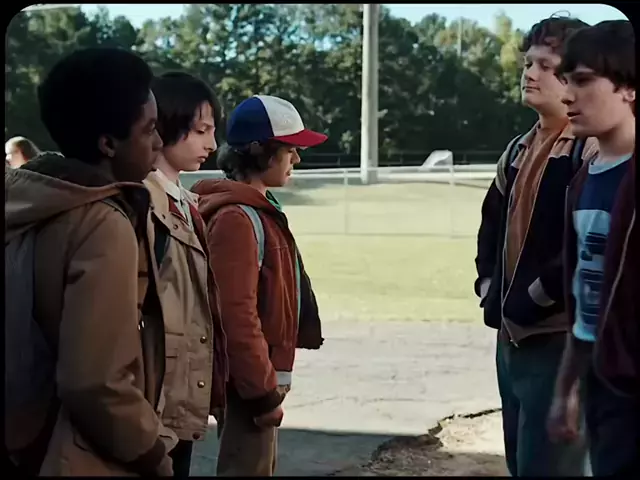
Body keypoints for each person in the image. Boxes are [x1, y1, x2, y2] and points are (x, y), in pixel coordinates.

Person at [4, 48, 176, 476]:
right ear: (108, 143)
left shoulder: (32, 198)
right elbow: (94, 382)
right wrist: (150, 451)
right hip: (73, 452)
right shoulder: (101, 223)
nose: (159, 142)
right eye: (149, 129)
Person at [473, 16, 598, 476]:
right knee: (520, 461)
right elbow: (490, 224)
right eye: (528, 63)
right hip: (511, 340)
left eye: (545, 65)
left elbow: (589, 244)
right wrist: (488, 284)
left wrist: (537, 296)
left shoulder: (589, 148)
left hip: (560, 339)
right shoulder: (518, 149)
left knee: (552, 467)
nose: (530, 73)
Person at [191, 95, 325, 476]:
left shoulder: (259, 209)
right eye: (288, 149)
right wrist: (262, 391)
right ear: (259, 151)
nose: (296, 158)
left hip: (258, 378)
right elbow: (235, 315)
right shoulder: (237, 217)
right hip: (249, 385)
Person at [548, 20, 638, 476]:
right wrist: (565, 389)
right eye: (566, 81)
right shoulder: (583, 179)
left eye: (583, 81)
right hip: (603, 387)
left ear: (630, 88)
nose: (567, 96)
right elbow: (586, 303)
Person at [145, 71, 228, 477]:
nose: (211, 145)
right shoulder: (142, 203)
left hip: (180, 398)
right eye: (201, 131)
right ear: (165, 125)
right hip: (152, 405)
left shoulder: (187, 203)